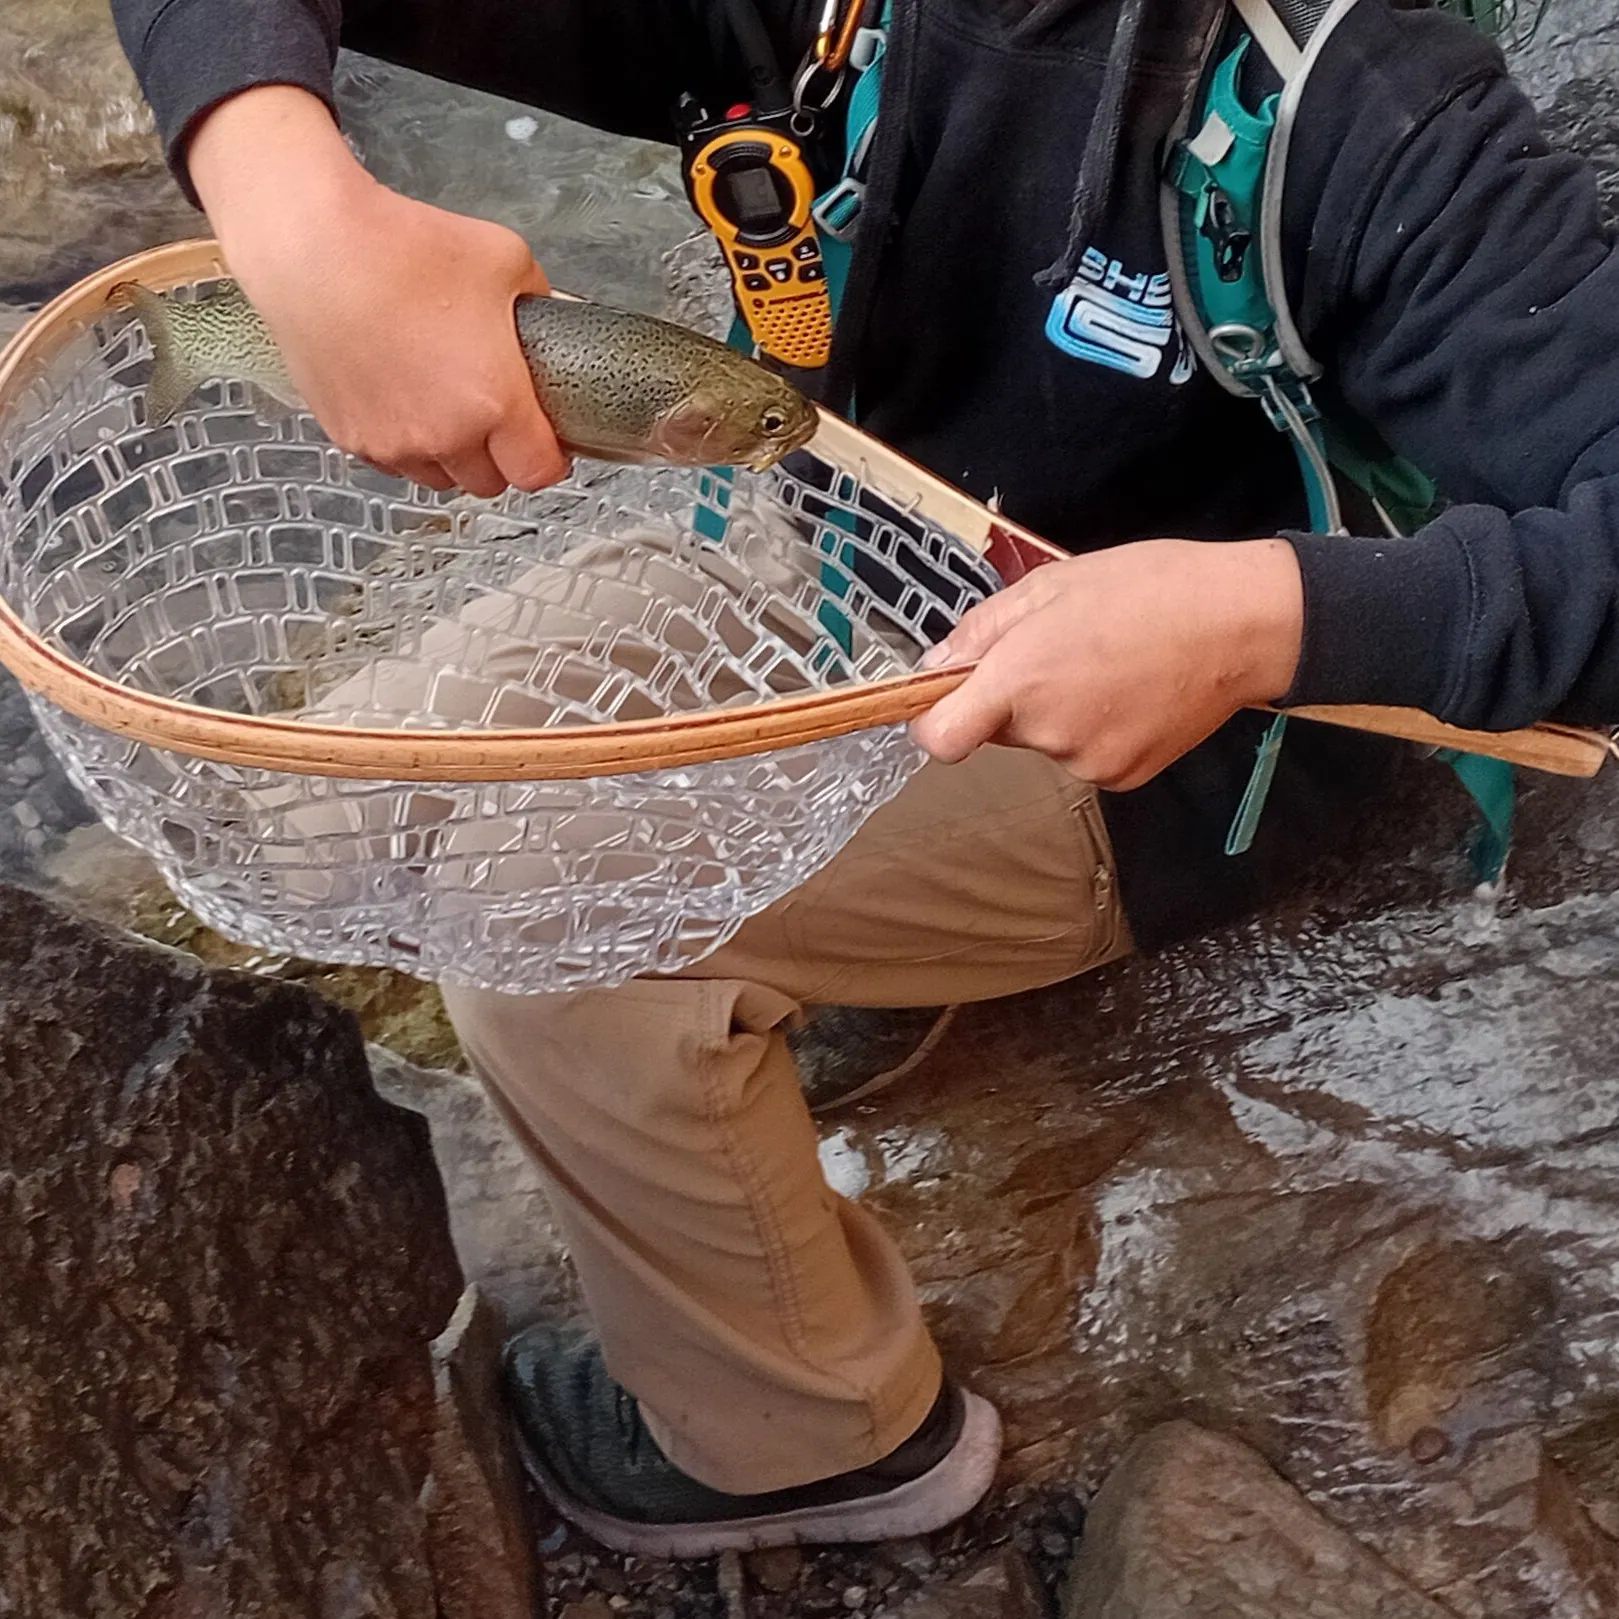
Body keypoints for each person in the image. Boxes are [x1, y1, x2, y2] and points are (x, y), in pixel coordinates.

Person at [110, 0, 1619, 1557]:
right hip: (831, 556)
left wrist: (1258, 623)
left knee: (537, 929)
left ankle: (816, 1438)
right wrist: (298, 209)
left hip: (1158, 740)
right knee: (321, 809)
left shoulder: (1375, 115)